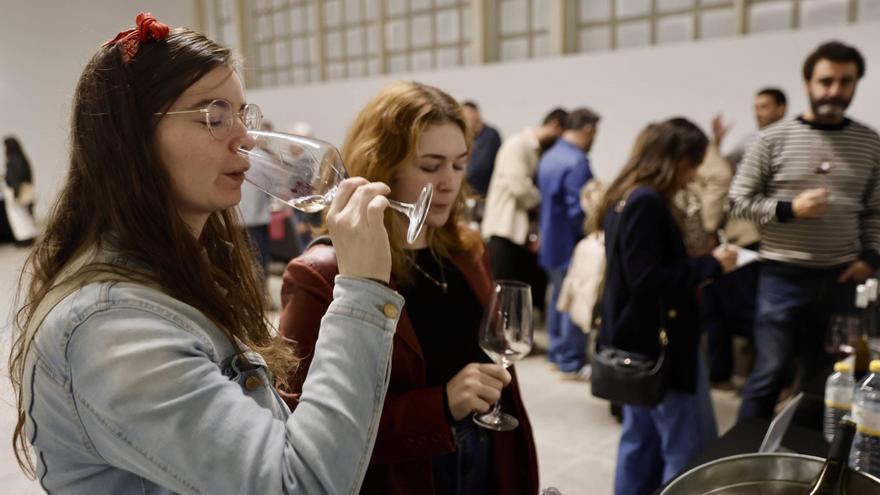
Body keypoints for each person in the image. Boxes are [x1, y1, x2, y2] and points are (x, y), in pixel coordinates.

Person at [8, 13, 404, 494]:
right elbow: (299, 485)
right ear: (131, 138)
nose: (246, 138)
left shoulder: (180, 273)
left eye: (242, 114)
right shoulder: (109, 327)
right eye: (214, 116)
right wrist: (361, 291)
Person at [278, 81, 539, 495]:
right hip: (404, 475)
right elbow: (302, 425)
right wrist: (440, 405)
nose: (449, 183)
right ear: (383, 166)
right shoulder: (323, 273)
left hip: (485, 451)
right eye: (431, 166)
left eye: (458, 164)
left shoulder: (466, 249)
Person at [729, 40, 880, 420]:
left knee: (827, 375)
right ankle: (744, 460)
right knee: (770, 372)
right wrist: (789, 208)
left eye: (845, 82)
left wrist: (870, 259)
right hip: (782, 275)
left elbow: (876, 212)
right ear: (808, 83)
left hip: (840, 277)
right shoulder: (771, 139)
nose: (834, 90)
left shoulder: (869, 143)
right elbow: (737, 201)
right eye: (826, 81)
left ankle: (808, 459)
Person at [593, 118, 737, 495]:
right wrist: (710, 265)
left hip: (639, 339)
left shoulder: (626, 195)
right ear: (675, 159)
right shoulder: (646, 201)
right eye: (692, 164)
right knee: (685, 447)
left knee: (641, 442)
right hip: (662, 344)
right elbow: (647, 278)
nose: (693, 175)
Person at [536, 107, 600, 378]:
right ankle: (570, 361)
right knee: (575, 299)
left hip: (550, 238)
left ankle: (556, 353)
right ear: (587, 129)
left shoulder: (550, 155)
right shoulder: (577, 162)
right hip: (569, 242)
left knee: (557, 298)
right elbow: (579, 209)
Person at [482, 108, 567, 305]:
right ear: (554, 125)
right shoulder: (517, 145)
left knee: (512, 296)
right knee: (499, 295)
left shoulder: (535, 151)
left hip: (516, 236)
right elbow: (518, 185)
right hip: (503, 232)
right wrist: (545, 203)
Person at [461, 100, 502, 198]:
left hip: (485, 195)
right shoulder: (468, 137)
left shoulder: (490, 136)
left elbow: (478, 168)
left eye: (466, 114)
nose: (464, 119)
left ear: (476, 113)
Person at [1, 136, 36, 245]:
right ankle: (27, 237)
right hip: (22, 189)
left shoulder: (13, 160)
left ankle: (25, 239)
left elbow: (14, 178)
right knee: (25, 214)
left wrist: (15, 192)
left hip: (16, 191)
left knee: (19, 216)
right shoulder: (21, 158)